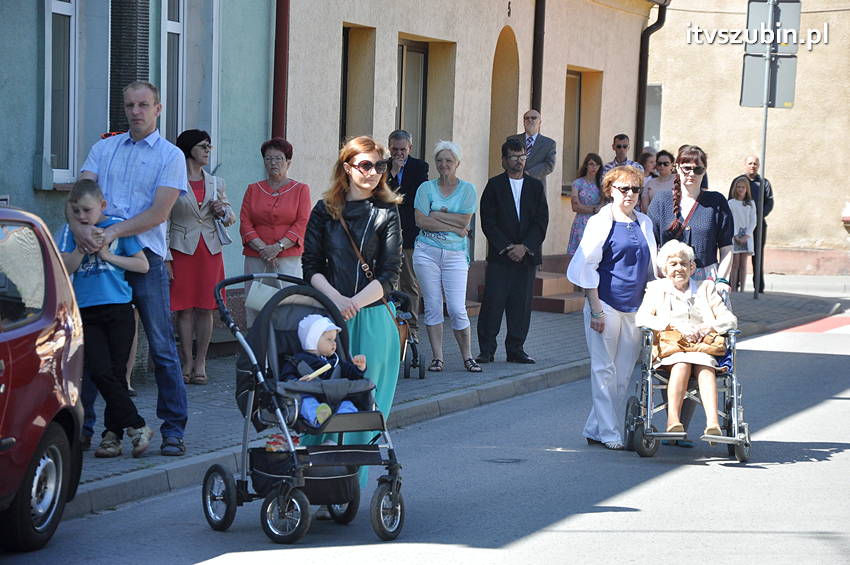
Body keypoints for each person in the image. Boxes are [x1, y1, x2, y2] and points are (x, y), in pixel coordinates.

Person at [77, 80, 189, 456]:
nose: (135, 112)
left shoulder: (171, 155)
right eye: (129, 105)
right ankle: (86, 431)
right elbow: (80, 198)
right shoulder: (103, 148)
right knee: (97, 352)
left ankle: (173, 428)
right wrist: (85, 232)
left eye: (143, 105)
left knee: (161, 345)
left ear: (158, 108)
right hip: (99, 261)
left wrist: (110, 232)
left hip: (144, 259)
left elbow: (159, 213)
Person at [301, 135, 402, 478]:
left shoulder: (387, 211)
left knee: (364, 406)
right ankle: (316, 478)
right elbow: (310, 267)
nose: (374, 173)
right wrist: (338, 300)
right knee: (322, 399)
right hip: (330, 319)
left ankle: (348, 485)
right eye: (366, 165)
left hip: (372, 318)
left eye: (380, 166)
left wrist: (355, 303)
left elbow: (391, 274)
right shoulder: (324, 210)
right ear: (347, 167)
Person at [57, 179, 154, 458]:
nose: (82, 217)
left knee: (116, 374)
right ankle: (137, 425)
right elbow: (63, 267)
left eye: (87, 210)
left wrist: (108, 255)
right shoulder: (69, 232)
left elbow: (142, 265)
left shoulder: (116, 227)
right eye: (76, 211)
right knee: (100, 372)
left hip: (119, 308)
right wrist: (80, 249)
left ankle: (112, 437)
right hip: (87, 311)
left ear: (102, 206)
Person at [647, 145, 733, 447]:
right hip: (669, 280)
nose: (691, 173)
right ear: (677, 168)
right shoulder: (660, 202)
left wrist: (722, 280)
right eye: (685, 167)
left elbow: (727, 247)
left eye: (697, 168)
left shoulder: (715, 203)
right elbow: (653, 244)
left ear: (704, 170)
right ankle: (673, 419)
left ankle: (687, 423)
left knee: (702, 348)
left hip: (706, 280)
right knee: (671, 347)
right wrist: (657, 279)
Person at [567, 166, 657, 450]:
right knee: (603, 369)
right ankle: (608, 432)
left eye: (635, 189)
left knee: (623, 374)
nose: (629, 194)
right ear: (610, 190)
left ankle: (594, 427)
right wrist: (595, 309)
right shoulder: (600, 222)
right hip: (605, 303)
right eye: (623, 189)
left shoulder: (644, 223)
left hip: (635, 307)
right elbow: (587, 266)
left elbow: (652, 267)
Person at [635, 240, 737, 439]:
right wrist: (673, 325)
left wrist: (709, 326)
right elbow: (642, 318)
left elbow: (730, 320)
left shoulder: (706, 289)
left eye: (683, 263)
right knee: (682, 364)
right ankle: (673, 421)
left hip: (701, 347)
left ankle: (713, 424)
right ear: (664, 269)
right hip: (673, 348)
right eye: (673, 264)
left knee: (706, 367)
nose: (679, 268)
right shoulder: (656, 289)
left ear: (692, 267)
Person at [167, 129, 235, 385]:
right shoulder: (173, 180)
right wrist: (165, 257)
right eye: (203, 146)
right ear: (188, 149)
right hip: (181, 249)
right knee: (183, 309)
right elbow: (165, 219)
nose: (208, 150)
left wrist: (222, 211)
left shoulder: (216, 182)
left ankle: (201, 362)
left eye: (209, 147)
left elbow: (230, 218)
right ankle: (186, 361)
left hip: (209, 250)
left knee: (206, 308)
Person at [476, 139, 549, 365]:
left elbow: (541, 221)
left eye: (523, 156)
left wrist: (525, 246)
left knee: (521, 304)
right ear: (504, 160)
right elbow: (488, 221)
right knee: (493, 302)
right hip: (501, 256)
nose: (519, 161)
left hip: (526, 257)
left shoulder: (536, 186)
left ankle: (516, 349)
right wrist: (507, 246)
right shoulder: (494, 185)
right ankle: (486, 350)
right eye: (515, 157)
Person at [411, 141, 480, 373]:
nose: (444, 164)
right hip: (426, 253)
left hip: (455, 255)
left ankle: (468, 356)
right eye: (440, 160)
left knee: (457, 308)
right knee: (432, 306)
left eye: (449, 160)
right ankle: (438, 358)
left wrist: (438, 214)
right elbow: (421, 221)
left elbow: (465, 222)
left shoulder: (468, 190)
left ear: (457, 163)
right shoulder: (425, 188)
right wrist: (455, 224)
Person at [240, 138, 312, 326]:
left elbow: (302, 222)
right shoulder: (253, 189)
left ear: (288, 162)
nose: (273, 163)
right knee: (257, 306)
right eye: (268, 159)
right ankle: (258, 351)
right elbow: (245, 222)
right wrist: (264, 248)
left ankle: (285, 351)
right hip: (257, 256)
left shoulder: (301, 190)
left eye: (279, 159)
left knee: (288, 304)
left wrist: (278, 247)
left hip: (288, 257)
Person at [281, 314, 366, 427]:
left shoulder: (334, 360)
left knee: (347, 403)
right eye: (329, 339)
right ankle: (318, 418)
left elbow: (350, 374)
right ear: (313, 340)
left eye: (335, 340)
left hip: (334, 398)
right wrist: (295, 381)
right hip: (311, 395)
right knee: (307, 403)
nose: (334, 343)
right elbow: (285, 377)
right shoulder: (298, 360)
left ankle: (345, 418)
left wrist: (359, 368)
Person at [386, 130, 429, 335]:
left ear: (410, 148)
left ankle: (411, 329)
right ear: (389, 148)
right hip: (386, 235)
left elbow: (413, 199)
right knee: (387, 282)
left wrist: (395, 187)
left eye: (403, 149)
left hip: (410, 234)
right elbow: (382, 198)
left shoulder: (420, 168)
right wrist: (393, 174)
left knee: (409, 282)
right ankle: (391, 326)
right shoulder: (382, 169)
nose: (399, 153)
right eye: (395, 149)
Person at [744, 154, 775, 293]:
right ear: (745, 165)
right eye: (750, 163)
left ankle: (759, 286)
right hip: (742, 225)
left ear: (758, 166)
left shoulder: (764, 183)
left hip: (759, 225)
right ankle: (736, 285)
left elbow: (769, 202)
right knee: (739, 256)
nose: (752, 166)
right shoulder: (739, 181)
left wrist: (757, 216)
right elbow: (731, 200)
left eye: (755, 164)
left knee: (758, 256)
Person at [567, 153, 604, 257]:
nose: (594, 167)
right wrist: (594, 209)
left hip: (597, 223)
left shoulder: (602, 184)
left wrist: (597, 208)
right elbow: (575, 206)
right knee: (579, 255)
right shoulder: (577, 183)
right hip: (581, 223)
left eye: (597, 165)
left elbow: (604, 204)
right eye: (591, 164)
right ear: (586, 165)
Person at [507, 109, 557, 187]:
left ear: (540, 122)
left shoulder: (549, 143)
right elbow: (507, 159)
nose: (530, 120)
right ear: (523, 122)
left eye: (533, 118)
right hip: (513, 183)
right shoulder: (512, 140)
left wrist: (528, 173)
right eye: (527, 118)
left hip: (536, 185)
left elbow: (549, 165)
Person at [727, 175, 758, 293]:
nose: (740, 189)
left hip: (746, 237)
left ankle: (743, 290)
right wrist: (735, 235)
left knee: (743, 265)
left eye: (743, 187)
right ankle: (733, 288)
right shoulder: (731, 203)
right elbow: (730, 219)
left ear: (747, 189)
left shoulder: (751, 203)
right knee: (734, 264)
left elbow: (753, 220)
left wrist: (747, 235)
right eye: (738, 187)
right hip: (734, 236)